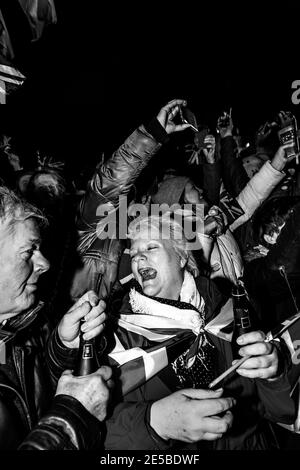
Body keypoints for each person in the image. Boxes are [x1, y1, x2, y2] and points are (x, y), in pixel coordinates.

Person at [103, 215, 296, 450]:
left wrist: (273, 376)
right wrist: (155, 422)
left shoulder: (227, 311)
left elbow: (279, 411)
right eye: (133, 254)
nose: (138, 257)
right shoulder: (122, 339)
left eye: (151, 247)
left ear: (182, 257)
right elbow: (98, 432)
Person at [0, 186, 112, 450]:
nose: (44, 263)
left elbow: (28, 401)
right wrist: (74, 416)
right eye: (28, 251)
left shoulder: (11, 333)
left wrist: (61, 346)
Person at [69, 99, 193, 303]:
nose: (143, 205)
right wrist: (152, 134)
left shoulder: (145, 235)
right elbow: (106, 186)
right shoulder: (95, 232)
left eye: (145, 199)